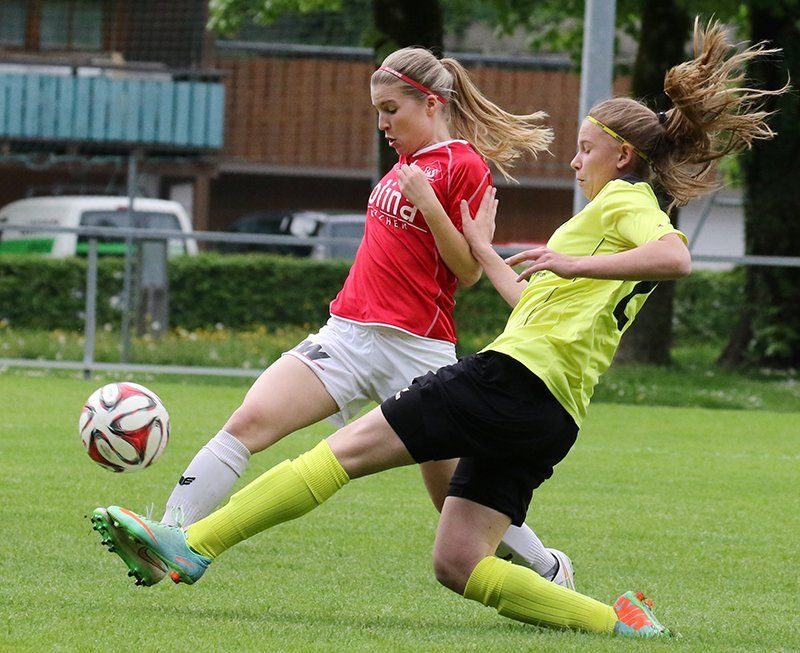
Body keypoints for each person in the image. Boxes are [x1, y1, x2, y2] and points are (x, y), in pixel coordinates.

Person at [93, 18, 783, 637]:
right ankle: (620, 622)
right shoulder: (602, 216)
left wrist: (568, 261)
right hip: (551, 411)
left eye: (583, 149)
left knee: (341, 454)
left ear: (621, 155)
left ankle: (192, 545)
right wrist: (489, 247)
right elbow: (526, 301)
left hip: (508, 378)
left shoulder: (624, 200)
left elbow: (675, 257)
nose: (574, 161)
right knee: (457, 561)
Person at [92, 46, 571, 588]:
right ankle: (165, 540)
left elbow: (468, 270)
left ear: (431, 104)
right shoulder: (406, 164)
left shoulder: (464, 165)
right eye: (378, 111)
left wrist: (429, 204)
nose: (382, 123)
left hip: (415, 348)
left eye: (391, 109)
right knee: (247, 423)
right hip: (345, 334)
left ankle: (549, 568)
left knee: (453, 496)